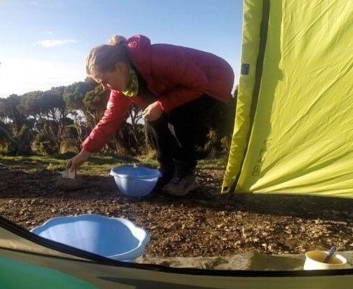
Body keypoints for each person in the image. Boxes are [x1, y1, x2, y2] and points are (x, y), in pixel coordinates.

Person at [66, 34, 234, 196]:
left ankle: (185, 175)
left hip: (213, 80)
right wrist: (84, 153)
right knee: (151, 118)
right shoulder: (124, 86)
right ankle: (167, 171)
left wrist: (162, 104)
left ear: (120, 68)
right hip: (183, 86)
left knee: (178, 116)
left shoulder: (158, 58)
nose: (104, 88)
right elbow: (110, 119)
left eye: (104, 80)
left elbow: (198, 84)